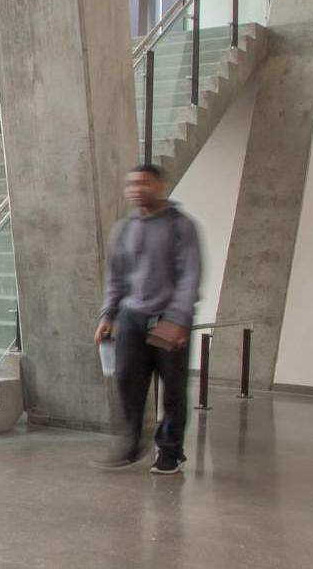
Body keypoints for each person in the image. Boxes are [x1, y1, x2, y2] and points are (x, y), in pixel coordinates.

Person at [91, 164, 202, 475]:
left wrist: (178, 318)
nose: (137, 189)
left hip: (170, 320)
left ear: (160, 185)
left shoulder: (182, 227)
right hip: (132, 318)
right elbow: (116, 278)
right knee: (127, 381)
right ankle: (131, 443)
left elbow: (190, 275)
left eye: (144, 183)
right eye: (132, 184)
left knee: (173, 390)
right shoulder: (124, 229)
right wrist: (108, 314)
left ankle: (170, 451)